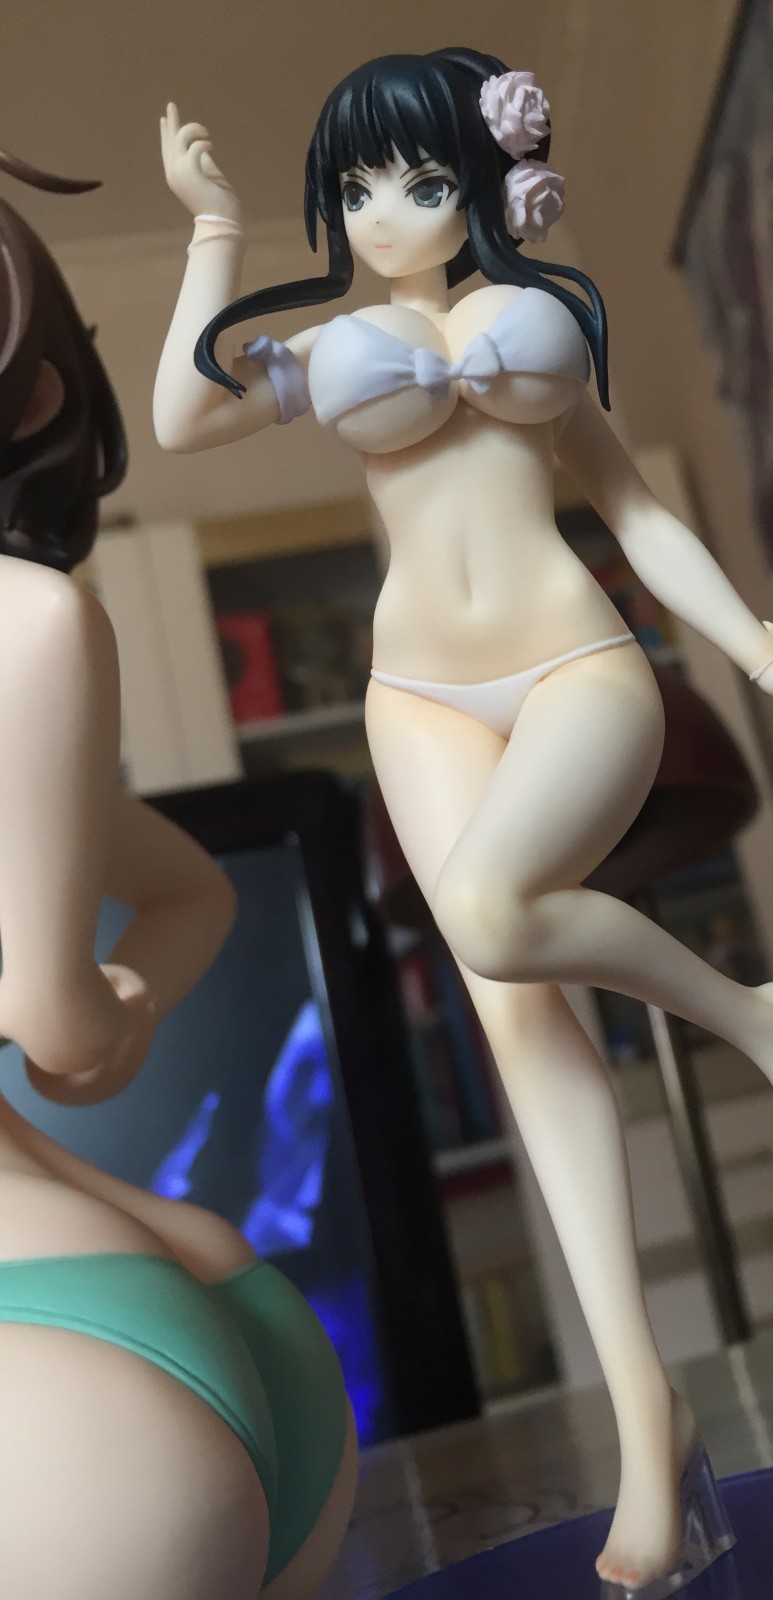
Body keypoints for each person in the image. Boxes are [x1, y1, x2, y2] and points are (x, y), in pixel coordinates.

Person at [154, 49, 773, 1594]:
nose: (382, 213)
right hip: (414, 695)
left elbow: (637, 507)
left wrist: (761, 653)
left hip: (574, 667)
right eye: (354, 187)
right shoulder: (331, 344)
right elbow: (179, 420)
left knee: (492, 915)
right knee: (518, 1018)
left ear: (482, 183)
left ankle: (760, 1016)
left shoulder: (540, 319)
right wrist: (211, 228)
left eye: (418, 180)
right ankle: (647, 1420)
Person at [0, 153, 355, 1600]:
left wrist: (85, 1015)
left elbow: (49, 1019)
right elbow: (172, 913)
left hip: (58, 1375)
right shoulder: (28, 625)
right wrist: (121, 1006)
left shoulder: (23, 629)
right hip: (215, 1300)